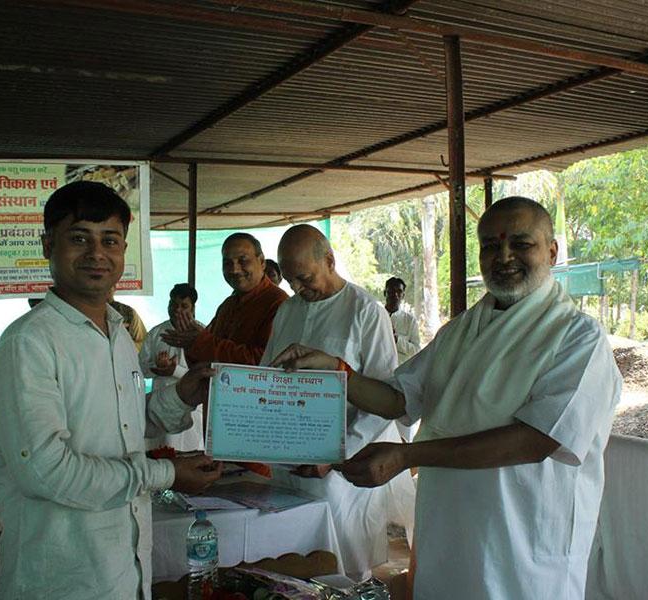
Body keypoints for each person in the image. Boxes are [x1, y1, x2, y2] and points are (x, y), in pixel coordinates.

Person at [273, 197, 621, 599]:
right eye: (490, 245)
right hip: (450, 531)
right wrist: (338, 371)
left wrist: (407, 456)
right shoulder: (460, 331)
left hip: (521, 543)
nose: (503, 256)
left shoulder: (578, 338)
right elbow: (397, 399)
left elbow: (536, 440)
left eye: (521, 244)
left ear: (553, 251)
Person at [0, 181, 222, 600]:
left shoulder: (116, 331)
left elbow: (128, 420)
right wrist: (167, 473)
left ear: (123, 251)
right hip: (61, 576)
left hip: (123, 565)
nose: (97, 254)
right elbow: (45, 469)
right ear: (47, 245)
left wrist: (184, 392)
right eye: (79, 239)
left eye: (110, 240)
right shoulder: (29, 343)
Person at [263, 224, 414, 581]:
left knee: (343, 569)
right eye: (289, 281)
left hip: (344, 470)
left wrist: (337, 453)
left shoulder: (365, 311)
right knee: (292, 566)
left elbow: (384, 399)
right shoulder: (288, 311)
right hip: (289, 461)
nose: (297, 289)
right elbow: (267, 376)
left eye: (304, 277)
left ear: (329, 260)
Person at [162, 232, 288, 366]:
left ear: (262, 262)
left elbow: (265, 361)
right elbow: (206, 357)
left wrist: (202, 342)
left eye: (243, 260)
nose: (234, 270)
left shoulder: (278, 303)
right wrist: (190, 343)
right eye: (227, 263)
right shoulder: (228, 305)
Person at [139, 283, 205, 451]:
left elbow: (205, 375)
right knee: (161, 454)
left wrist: (173, 370)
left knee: (189, 455)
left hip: (190, 409)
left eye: (184, 306)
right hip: (159, 407)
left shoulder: (203, 335)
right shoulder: (156, 333)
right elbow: (140, 370)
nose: (177, 310)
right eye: (173, 305)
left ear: (193, 308)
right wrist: (157, 368)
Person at [384, 277, 421, 365]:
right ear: (385, 293)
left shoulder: (410, 321)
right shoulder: (376, 316)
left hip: (401, 372)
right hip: (376, 371)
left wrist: (397, 340)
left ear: (403, 295)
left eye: (399, 291)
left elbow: (416, 351)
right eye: (391, 291)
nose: (395, 295)